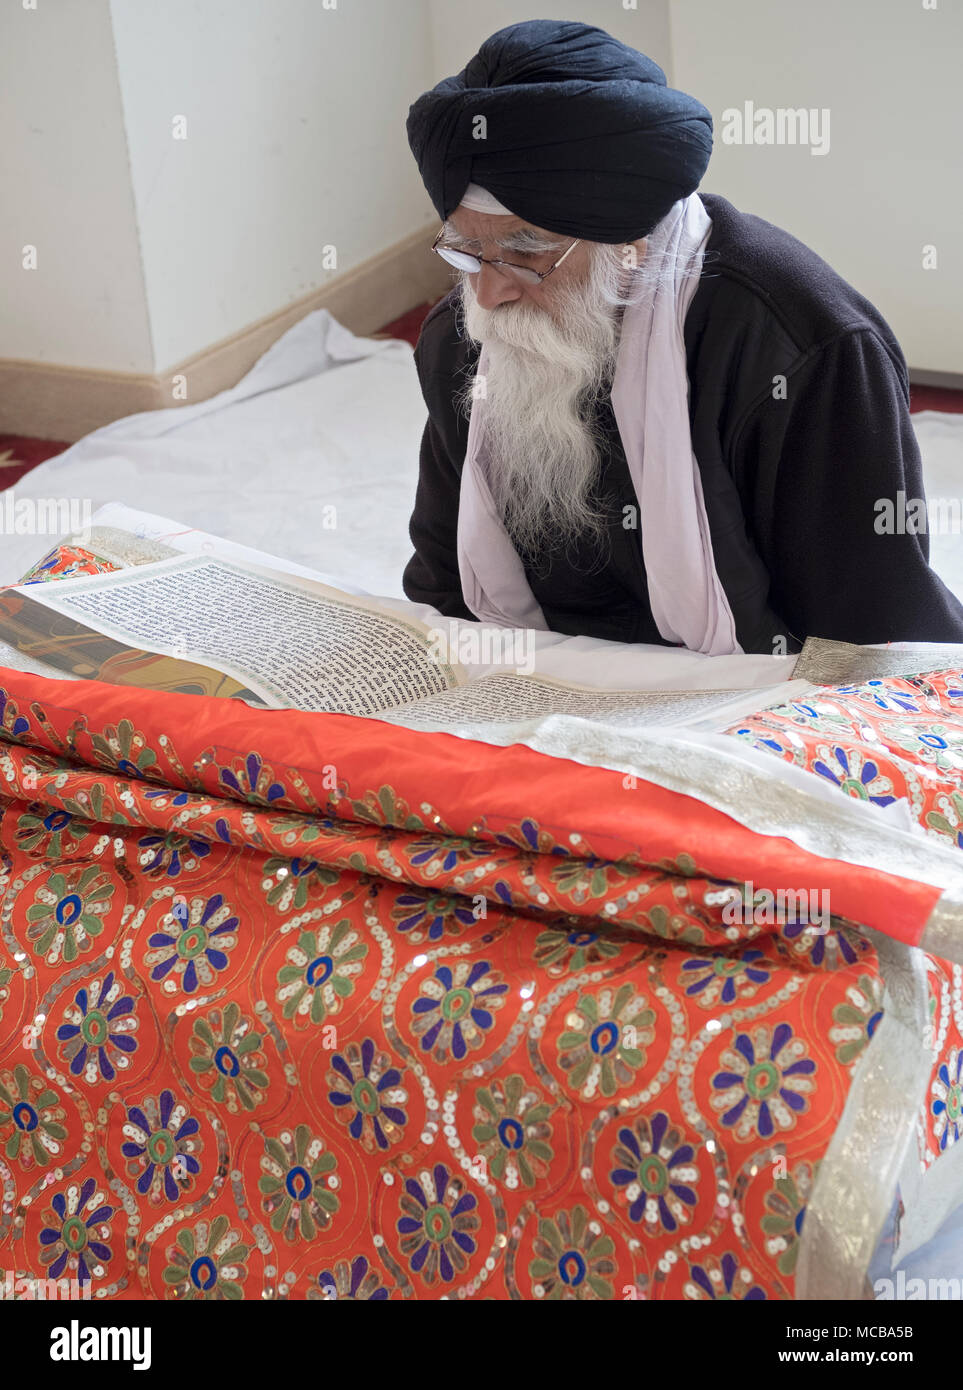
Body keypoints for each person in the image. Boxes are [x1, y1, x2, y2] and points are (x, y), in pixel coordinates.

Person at [402, 18, 963, 656]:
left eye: (528, 252)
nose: (488, 293)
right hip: (549, 689)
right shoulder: (468, 332)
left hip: (752, 696)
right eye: (467, 249)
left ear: (630, 243)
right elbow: (445, 585)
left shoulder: (807, 347)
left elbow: (867, 634)